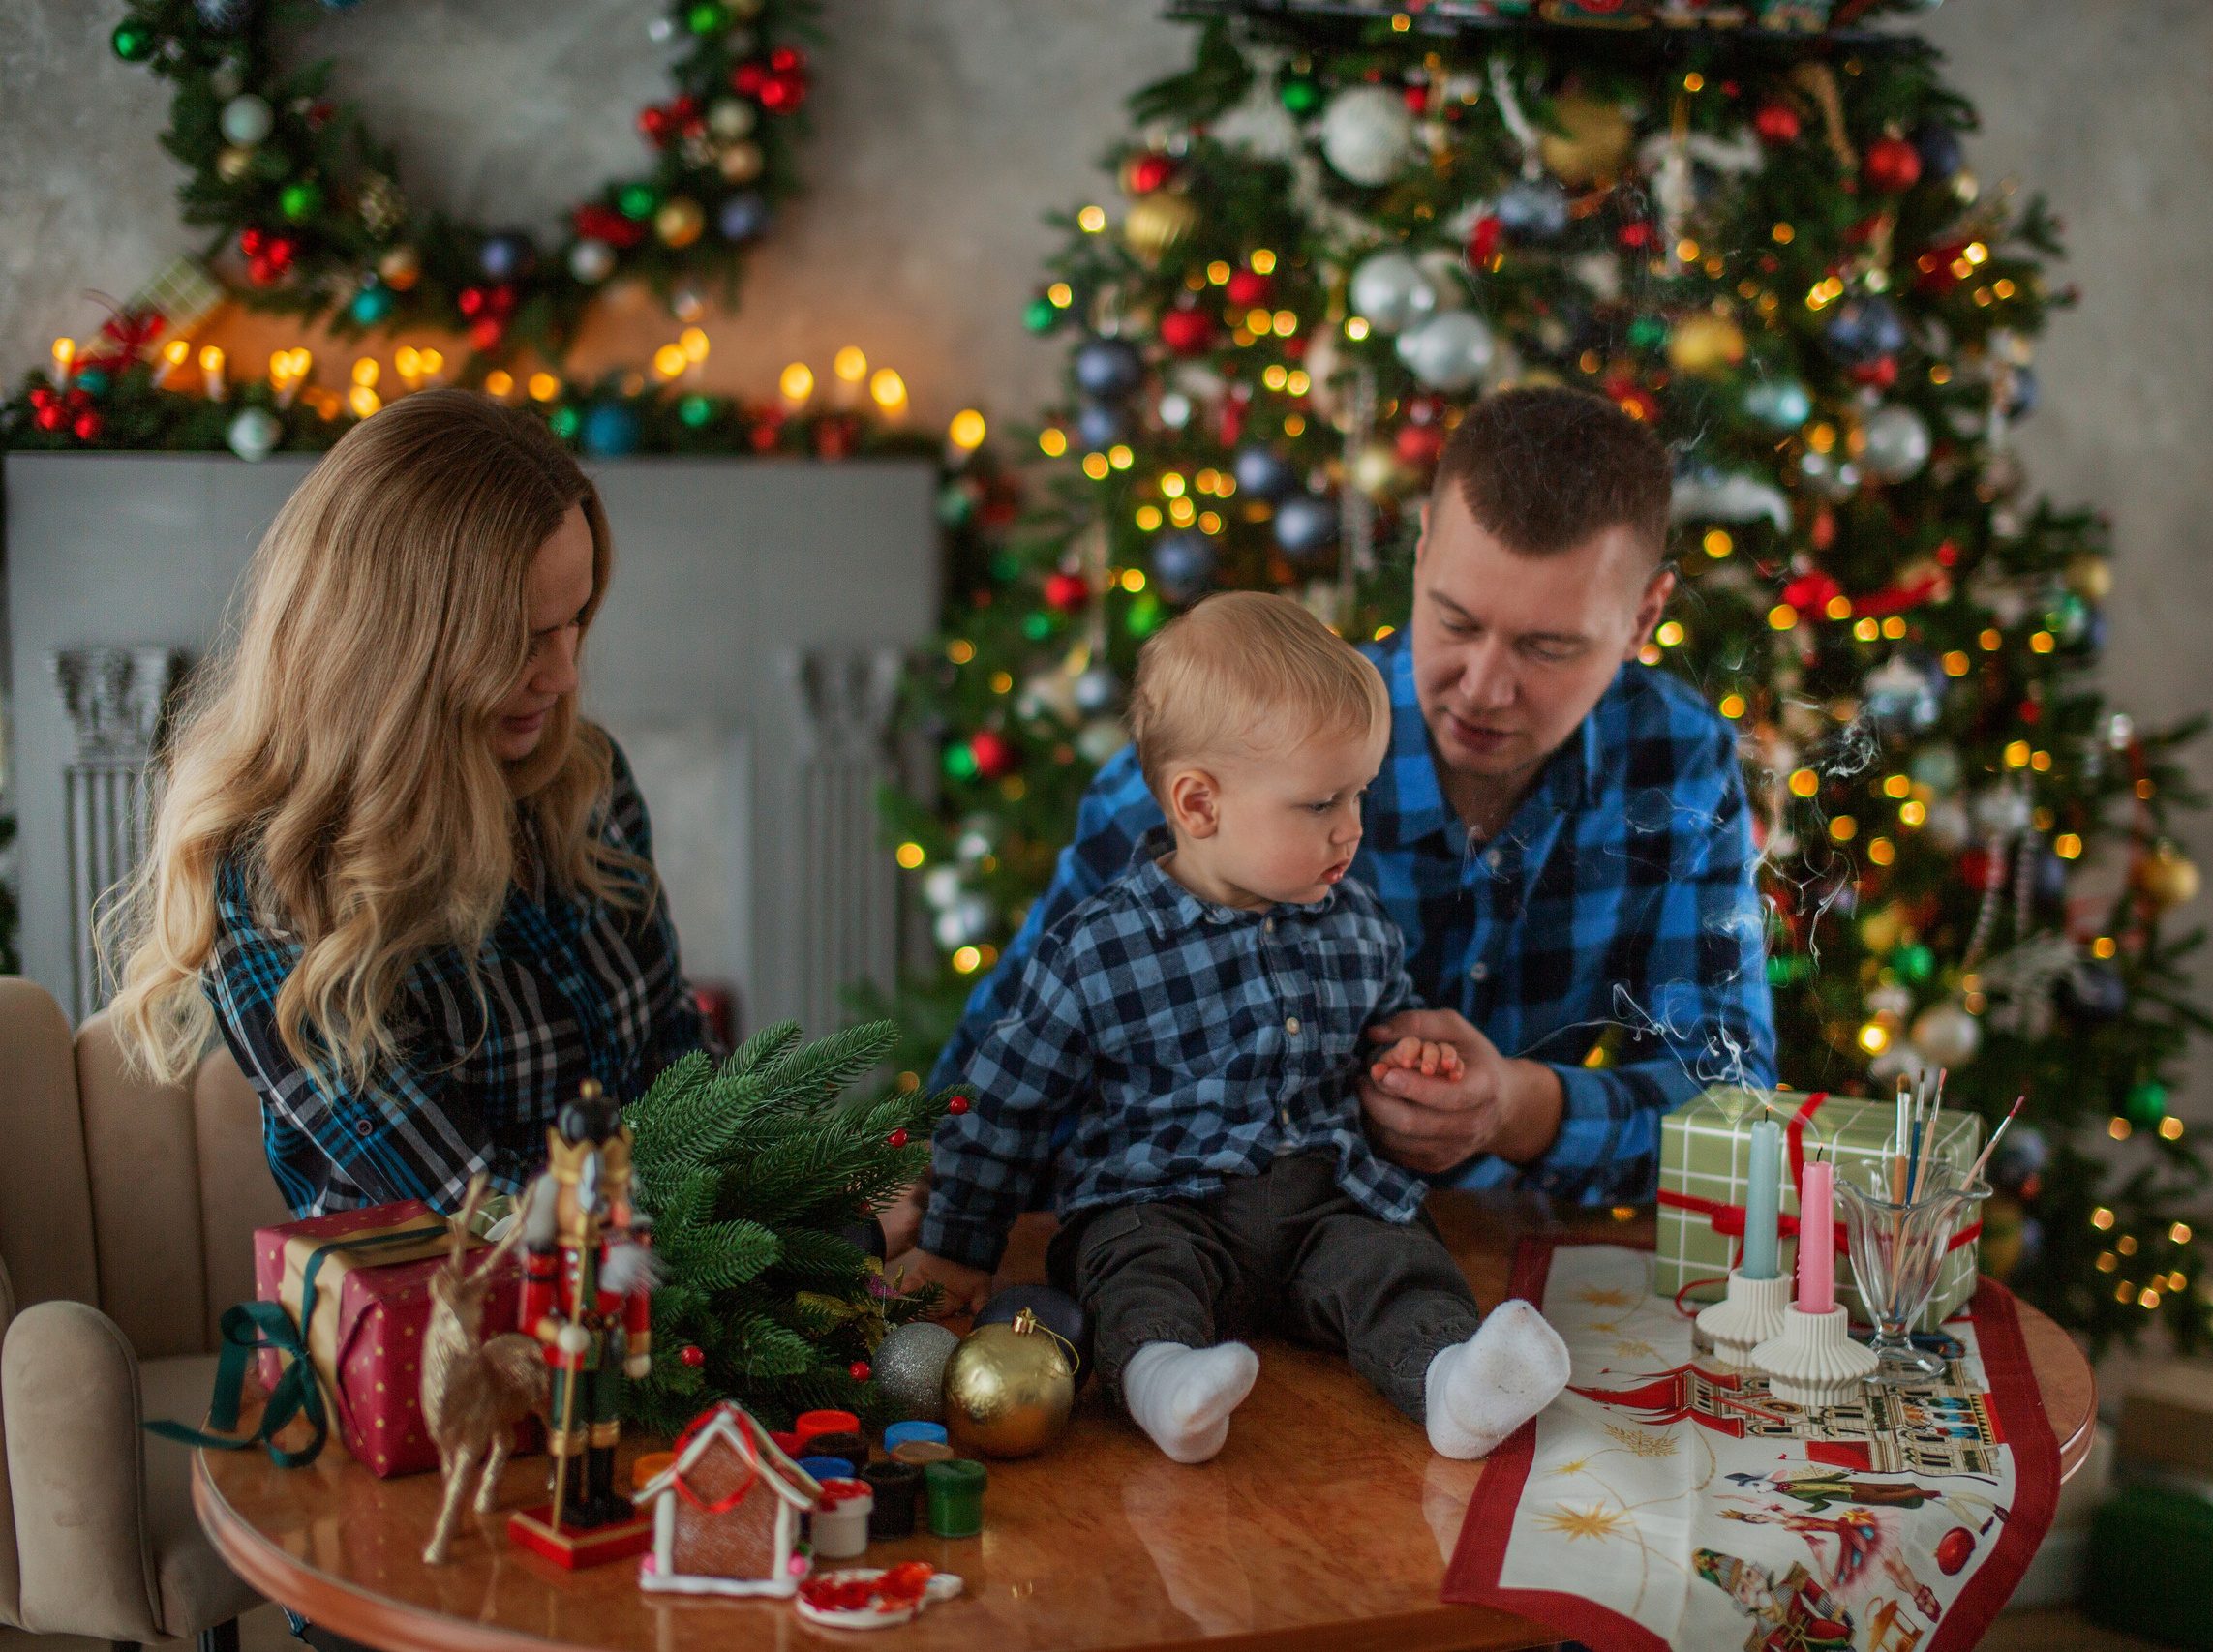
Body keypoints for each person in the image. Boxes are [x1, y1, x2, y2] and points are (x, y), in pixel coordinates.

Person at [898, 385, 1774, 1252]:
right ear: (1423, 552)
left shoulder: (1679, 763)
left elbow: (1736, 1110)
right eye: (1455, 621)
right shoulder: (1230, 755)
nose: (1483, 686)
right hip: (1160, 1259)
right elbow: (992, 1072)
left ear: (1643, 618)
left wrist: (1516, 1107)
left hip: (1454, 1270)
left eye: (1549, 647)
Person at [912, 593, 1570, 1463]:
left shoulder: (1357, 923)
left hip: (1320, 1201)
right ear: (1199, 804)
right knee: (1130, 1268)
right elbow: (1005, 1106)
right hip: (1158, 1199)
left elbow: (1381, 1034)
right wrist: (957, 1249)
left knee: (1394, 1257)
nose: (1352, 828)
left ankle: (1449, 1378)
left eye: (1360, 794)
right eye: (1319, 803)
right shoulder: (1101, 948)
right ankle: (1164, 1378)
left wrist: (1410, 1060)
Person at [107, 388, 712, 1217]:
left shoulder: (585, 778)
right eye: (524, 639)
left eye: (575, 622)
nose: (566, 675)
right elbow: (480, 1211)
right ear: (395, 648)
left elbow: (685, 1065)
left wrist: (806, 1208)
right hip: (445, 1329)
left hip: (670, 1301)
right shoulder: (279, 877)